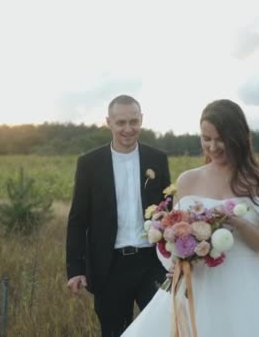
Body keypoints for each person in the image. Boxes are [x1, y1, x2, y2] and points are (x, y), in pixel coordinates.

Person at [122, 99, 259, 336]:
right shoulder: (188, 180)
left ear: (239, 137)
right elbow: (176, 235)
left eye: (221, 139)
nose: (212, 146)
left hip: (247, 288)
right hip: (197, 285)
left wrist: (239, 224)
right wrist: (179, 257)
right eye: (206, 138)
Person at [66, 94, 170, 337]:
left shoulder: (157, 159)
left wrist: (174, 259)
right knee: (114, 333)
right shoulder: (89, 163)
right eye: (121, 122)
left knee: (159, 331)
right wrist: (75, 269)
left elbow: (168, 211)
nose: (128, 129)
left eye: (134, 121)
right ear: (108, 123)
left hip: (151, 263)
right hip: (109, 267)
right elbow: (78, 219)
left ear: (141, 120)